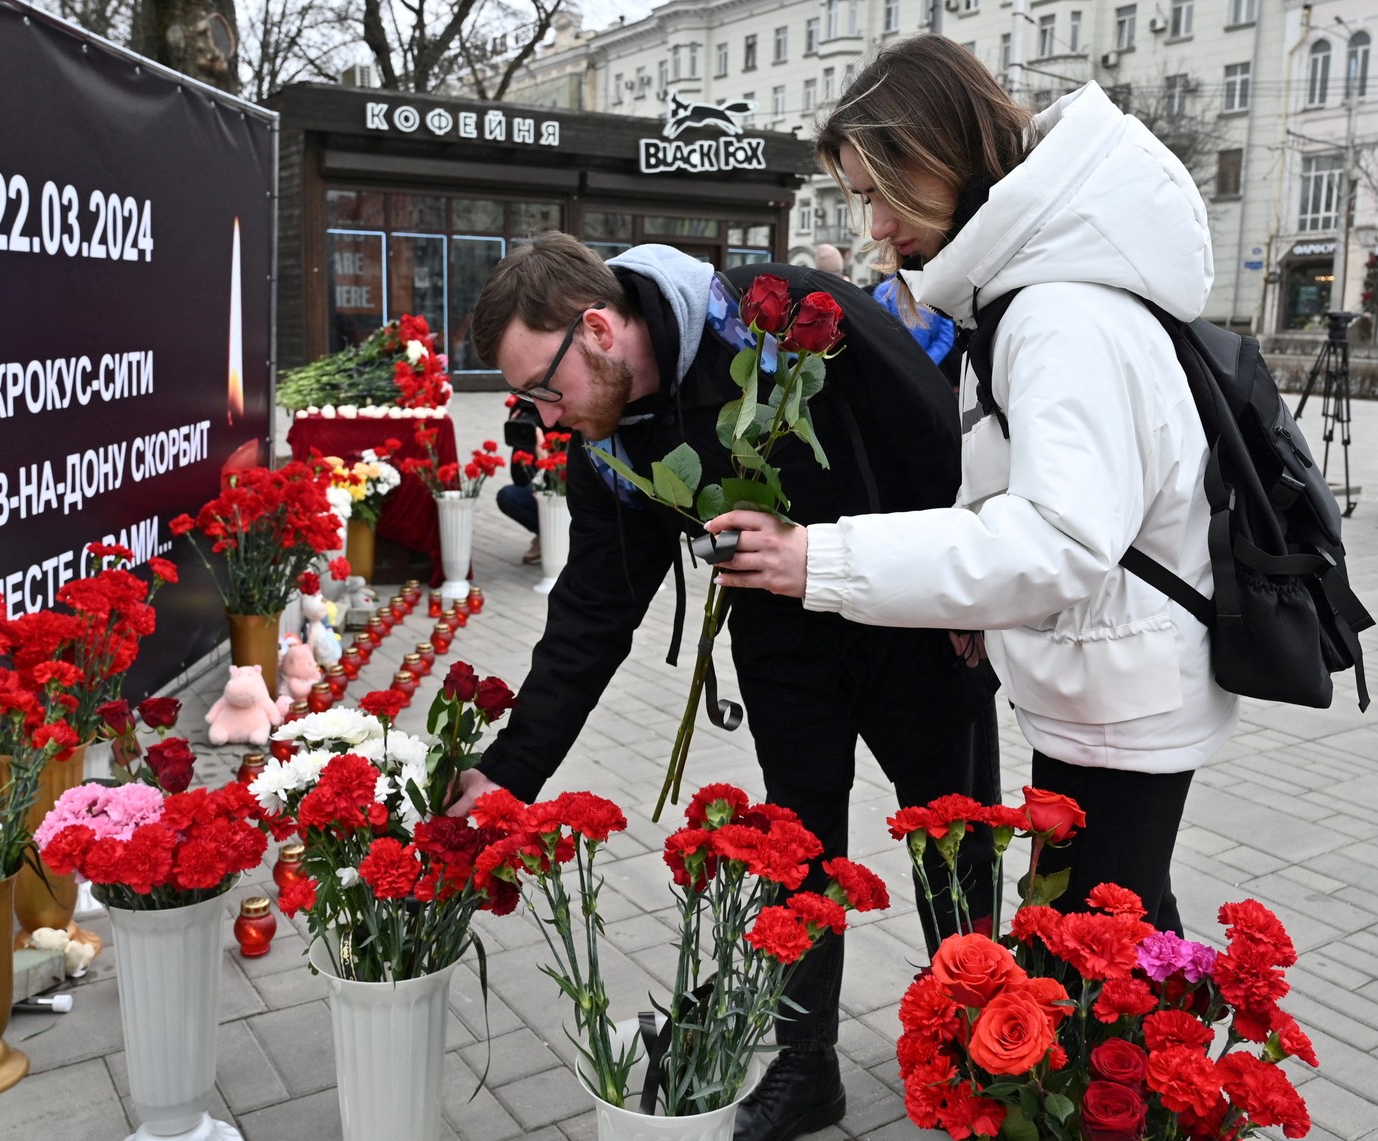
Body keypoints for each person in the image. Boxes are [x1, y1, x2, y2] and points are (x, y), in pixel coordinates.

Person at [453, 230, 1000, 1141]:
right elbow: (591, 613)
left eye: (544, 389)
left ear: (596, 327)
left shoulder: (776, 315)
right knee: (800, 853)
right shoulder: (610, 436)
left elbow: (932, 427)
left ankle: (978, 1041)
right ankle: (805, 1064)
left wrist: (969, 578)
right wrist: (508, 773)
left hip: (916, 624)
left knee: (953, 836)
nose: (544, 419)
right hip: (787, 647)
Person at [708, 35, 1239, 941]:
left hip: (1118, 694)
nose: (873, 225)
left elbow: (1058, 540)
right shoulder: (1029, 289)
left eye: (876, 192)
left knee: (1095, 975)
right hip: (1105, 678)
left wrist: (818, 559)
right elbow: (1022, 489)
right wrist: (976, 602)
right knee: (1126, 947)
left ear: (935, 156)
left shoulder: (1057, 310)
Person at [497, 395, 542, 563]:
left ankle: (563, 536)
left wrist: (544, 452)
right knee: (509, 496)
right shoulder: (524, 404)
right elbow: (519, 477)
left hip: (565, 489)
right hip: (534, 484)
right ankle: (546, 535)